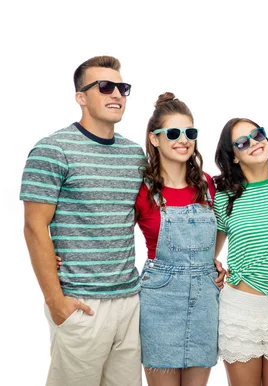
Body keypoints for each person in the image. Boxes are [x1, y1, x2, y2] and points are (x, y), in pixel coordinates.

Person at [20, 56, 144, 385]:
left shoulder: (135, 155)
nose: (116, 94)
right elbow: (34, 228)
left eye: (122, 87)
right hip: (81, 303)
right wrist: (55, 301)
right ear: (81, 97)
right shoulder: (52, 149)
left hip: (130, 301)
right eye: (105, 87)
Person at [134, 92, 225, 386]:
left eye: (190, 132)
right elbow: (109, 228)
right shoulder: (142, 188)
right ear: (155, 139)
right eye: (173, 132)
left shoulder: (207, 184)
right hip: (159, 300)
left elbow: (221, 229)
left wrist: (211, 261)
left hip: (204, 302)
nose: (183, 139)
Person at [213, 118, 268, 386]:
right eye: (242, 142)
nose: (254, 143)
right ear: (234, 157)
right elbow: (209, 255)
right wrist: (215, 268)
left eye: (257, 135)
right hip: (239, 311)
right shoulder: (224, 197)